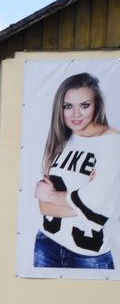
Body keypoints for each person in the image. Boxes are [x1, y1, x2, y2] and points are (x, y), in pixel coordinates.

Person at [32, 72, 120, 269]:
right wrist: (84, 205)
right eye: (68, 106)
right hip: (47, 246)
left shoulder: (111, 141)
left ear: (96, 105)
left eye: (85, 105)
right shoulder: (60, 142)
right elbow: (43, 207)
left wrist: (53, 195)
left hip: (89, 258)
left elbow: (100, 207)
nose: (76, 114)